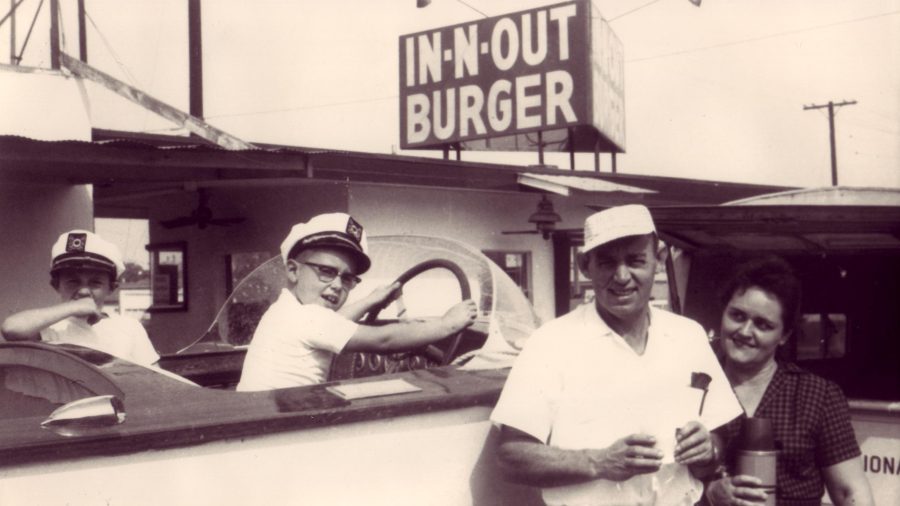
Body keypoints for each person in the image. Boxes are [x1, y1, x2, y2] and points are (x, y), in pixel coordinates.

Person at [491, 204, 743, 506]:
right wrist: (598, 462)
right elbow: (511, 456)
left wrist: (708, 449)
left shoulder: (689, 336)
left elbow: (717, 441)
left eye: (636, 260)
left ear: (659, 260)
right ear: (586, 266)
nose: (622, 276)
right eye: (607, 263)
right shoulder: (551, 343)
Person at [236, 212, 477, 391]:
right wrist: (447, 324)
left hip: (272, 414)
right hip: (280, 427)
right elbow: (385, 339)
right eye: (326, 272)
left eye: (348, 278)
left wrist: (372, 301)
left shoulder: (286, 310)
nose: (338, 285)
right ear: (293, 270)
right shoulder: (307, 318)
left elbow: (333, 322)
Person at [705, 257, 873, 506]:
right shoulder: (694, 386)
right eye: (737, 316)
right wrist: (709, 492)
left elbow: (850, 492)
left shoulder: (818, 395)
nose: (745, 331)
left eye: (763, 325)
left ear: (784, 335)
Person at [0, 229, 159, 366]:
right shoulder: (50, 328)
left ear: (111, 288)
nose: (83, 291)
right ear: (56, 285)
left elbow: (156, 380)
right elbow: (11, 328)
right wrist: (73, 307)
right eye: (73, 281)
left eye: (95, 283)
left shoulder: (129, 327)